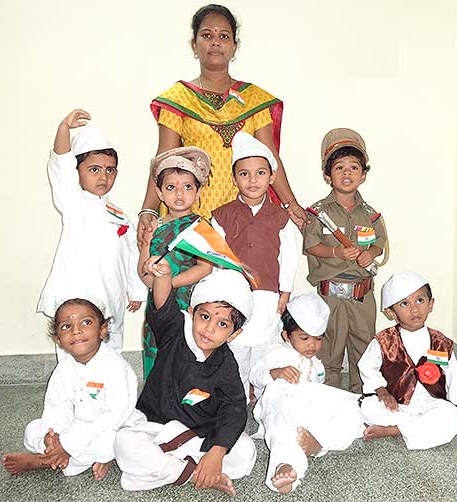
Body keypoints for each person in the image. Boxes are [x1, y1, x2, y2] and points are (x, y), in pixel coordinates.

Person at [138, 4, 306, 242]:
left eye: (224, 36)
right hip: (192, 214)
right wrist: (148, 210)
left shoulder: (254, 101)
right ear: (194, 45)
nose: (215, 42)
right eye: (207, 35)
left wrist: (291, 203)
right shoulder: (178, 100)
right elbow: (164, 159)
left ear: (234, 46)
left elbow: (270, 158)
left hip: (247, 213)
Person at [114, 260, 256, 496]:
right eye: (205, 316)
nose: (209, 329)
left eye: (222, 324)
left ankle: (174, 469)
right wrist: (163, 276)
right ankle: (193, 473)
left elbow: (234, 408)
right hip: (155, 428)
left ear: (234, 334)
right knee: (124, 441)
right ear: (192, 313)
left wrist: (217, 451)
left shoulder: (227, 364)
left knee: (245, 450)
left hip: (198, 437)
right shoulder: (175, 331)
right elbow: (163, 307)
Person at [37, 109, 147, 353]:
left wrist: (136, 290)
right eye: (94, 169)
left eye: (110, 170)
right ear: (77, 171)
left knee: (111, 351)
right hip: (77, 298)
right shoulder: (73, 202)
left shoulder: (120, 215)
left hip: (112, 297)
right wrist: (64, 128)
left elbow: (132, 253)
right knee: (75, 354)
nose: (103, 177)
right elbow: (61, 165)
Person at [2, 298, 138, 479]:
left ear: (102, 330)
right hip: (74, 425)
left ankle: (43, 461)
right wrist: (53, 438)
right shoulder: (64, 368)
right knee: (32, 430)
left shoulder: (115, 367)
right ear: (58, 339)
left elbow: (114, 415)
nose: (76, 331)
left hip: (111, 426)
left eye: (86, 322)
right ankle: (62, 456)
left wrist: (68, 445)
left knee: (115, 442)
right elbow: (56, 407)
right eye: (66, 326)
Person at [211, 131, 298, 401]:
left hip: (268, 295)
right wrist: (219, 296)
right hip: (234, 296)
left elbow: (289, 256)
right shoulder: (222, 215)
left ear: (271, 177)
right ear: (234, 178)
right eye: (244, 174)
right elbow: (217, 258)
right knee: (235, 348)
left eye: (260, 173)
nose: (252, 180)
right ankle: (234, 401)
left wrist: (285, 291)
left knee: (264, 348)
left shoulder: (281, 217)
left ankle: (264, 401)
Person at [250, 293, 364, 493]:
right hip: (280, 403)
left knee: (351, 409)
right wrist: (276, 373)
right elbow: (255, 374)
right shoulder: (277, 352)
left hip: (307, 408)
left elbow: (318, 391)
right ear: (287, 336)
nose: (312, 344)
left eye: (318, 339)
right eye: (304, 338)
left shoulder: (317, 364)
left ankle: (318, 443)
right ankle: (285, 465)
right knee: (282, 424)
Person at [302, 128, 387, 393]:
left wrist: (371, 253)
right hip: (331, 296)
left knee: (365, 350)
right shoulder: (318, 213)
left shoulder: (371, 215)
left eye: (353, 167)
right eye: (339, 167)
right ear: (328, 175)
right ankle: (330, 397)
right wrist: (336, 253)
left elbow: (379, 243)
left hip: (362, 297)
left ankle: (364, 397)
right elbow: (311, 245)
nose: (346, 173)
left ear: (363, 175)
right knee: (329, 349)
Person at [358, 272, 457, 449]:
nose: (414, 309)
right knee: (368, 407)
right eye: (404, 304)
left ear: (431, 304)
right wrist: (382, 392)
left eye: (420, 300)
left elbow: (454, 380)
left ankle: (393, 430)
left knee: (448, 415)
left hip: (431, 402)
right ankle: (416, 426)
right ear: (390, 312)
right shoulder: (384, 340)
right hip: (396, 404)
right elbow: (367, 366)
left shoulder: (440, 343)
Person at [139, 146, 213, 378]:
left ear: (198, 192)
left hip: (188, 304)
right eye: (171, 187)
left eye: (187, 187)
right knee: (158, 353)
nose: (179, 194)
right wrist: (155, 280)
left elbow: (205, 267)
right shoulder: (154, 227)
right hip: (157, 306)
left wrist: (168, 282)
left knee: (186, 356)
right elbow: (143, 272)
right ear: (159, 193)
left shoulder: (200, 227)